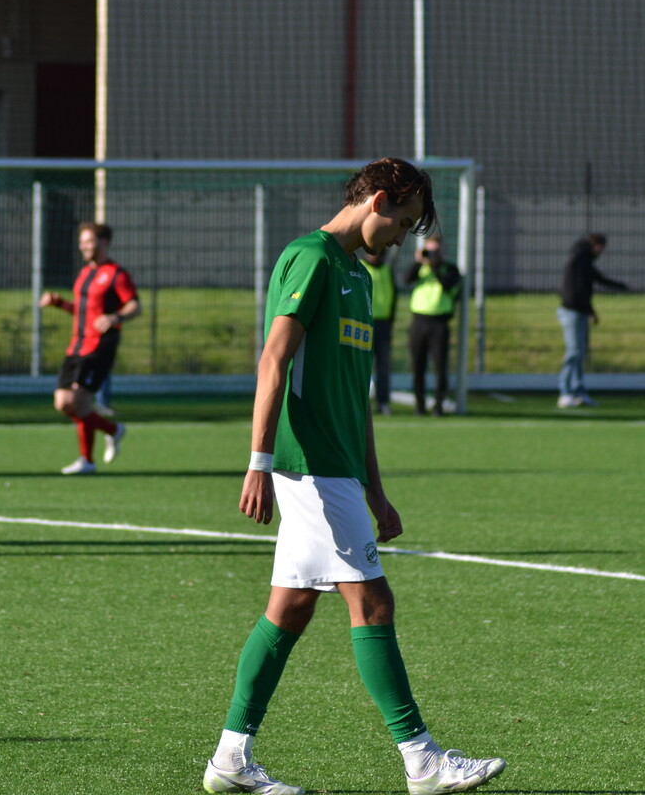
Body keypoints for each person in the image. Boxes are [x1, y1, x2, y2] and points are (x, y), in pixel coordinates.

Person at [203, 158, 505, 795]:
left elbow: (355, 397)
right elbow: (273, 361)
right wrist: (259, 461)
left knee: (289, 609)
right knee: (372, 601)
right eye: (403, 222)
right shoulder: (310, 258)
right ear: (379, 201)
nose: (402, 239)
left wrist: (376, 488)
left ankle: (230, 758)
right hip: (309, 464)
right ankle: (421, 760)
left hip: (339, 470)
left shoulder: (360, 279)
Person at [39, 222, 140, 475]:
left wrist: (115, 317)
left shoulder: (116, 274)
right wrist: (59, 303)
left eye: (88, 241)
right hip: (77, 344)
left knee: (79, 400)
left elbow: (134, 306)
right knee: (62, 402)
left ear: (103, 242)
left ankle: (87, 461)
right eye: (81, 242)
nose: (83, 246)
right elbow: (83, 311)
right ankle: (113, 430)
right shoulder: (85, 273)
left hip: (100, 345)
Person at [557, 233, 627, 408]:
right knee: (573, 352)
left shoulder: (584, 259)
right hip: (572, 311)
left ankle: (578, 392)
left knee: (580, 353)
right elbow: (580, 289)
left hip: (579, 311)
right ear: (597, 246)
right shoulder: (581, 258)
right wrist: (591, 311)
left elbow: (598, 278)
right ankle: (565, 392)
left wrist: (621, 286)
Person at [405, 235, 460, 416]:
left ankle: (439, 405)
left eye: (436, 250)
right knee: (417, 365)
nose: (432, 254)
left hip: (439, 323)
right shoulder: (421, 268)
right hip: (419, 322)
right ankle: (419, 405)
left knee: (440, 366)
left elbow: (448, 285)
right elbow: (406, 279)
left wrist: (435, 265)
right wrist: (418, 261)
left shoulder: (450, 269)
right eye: (430, 250)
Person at [361, 248, 396, 415]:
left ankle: (383, 402)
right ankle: (360, 401)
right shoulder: (360, 268)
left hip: (383, 325)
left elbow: (394, 297)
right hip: (363, 323)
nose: (376, 255)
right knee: (361, 366)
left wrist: (391, 321)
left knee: (383, 366)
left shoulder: (387, 270)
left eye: (380, 253)